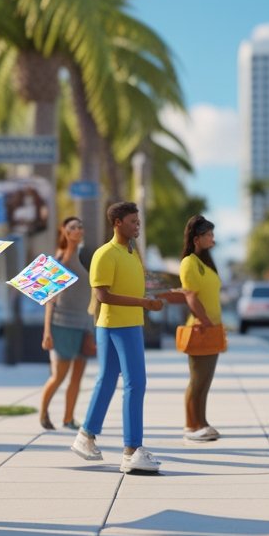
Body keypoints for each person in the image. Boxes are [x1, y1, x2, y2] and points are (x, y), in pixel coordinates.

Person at [70, 201, 165, 474]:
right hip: (117, 325)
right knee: (136, 384)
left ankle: (85, 436)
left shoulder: (132, 253)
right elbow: (103, 295)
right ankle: (132, 451)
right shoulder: (105, 254)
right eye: (133, 221)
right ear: (117, 223)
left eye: (138, 221)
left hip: (128, 323)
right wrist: (143, 304)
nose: (138, 225)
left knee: (108, 381)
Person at [39, 216, 95, 431]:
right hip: (61, 325)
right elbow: (49, 300)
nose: (78, 229)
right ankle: (44, 412)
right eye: (72, 227)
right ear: (63, 230)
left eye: (80, 226)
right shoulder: (58, 261)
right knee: (59, 376)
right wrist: (47, 332)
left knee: (77, 376)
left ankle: (68, 419)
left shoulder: (83, 258)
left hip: (83, 324)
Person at [177, 215, 227, 442]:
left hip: (213, 327)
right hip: (200, 327)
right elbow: (190, 296)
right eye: (209, 235)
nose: (213, 239)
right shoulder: (189, 263)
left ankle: (202, 422)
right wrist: (205, 321)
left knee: (206, 381)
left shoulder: (206, 263)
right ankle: (190, 425)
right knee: (197, 380)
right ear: (197, 238)